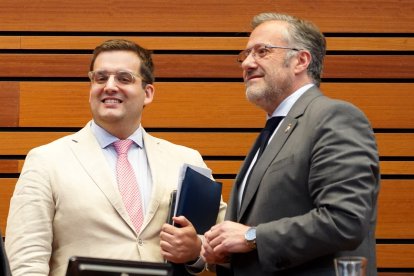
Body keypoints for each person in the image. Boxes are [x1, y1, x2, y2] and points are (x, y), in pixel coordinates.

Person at [5, 39, 226, 276]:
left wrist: (195, 250)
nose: (109, 86)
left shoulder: (187, 160)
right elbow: (26, 262)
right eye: (100, 78)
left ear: (148, 93)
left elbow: (222, 245)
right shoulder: (46, 160)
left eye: (124, 78)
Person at [202, 12, 380, 276]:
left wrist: (252, 236)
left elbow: (345, 220)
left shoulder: (334, 117)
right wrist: (225, 251)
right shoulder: (275, 129)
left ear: (300, 60)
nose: (247, 63)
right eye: (246, 54)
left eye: (262, 51)